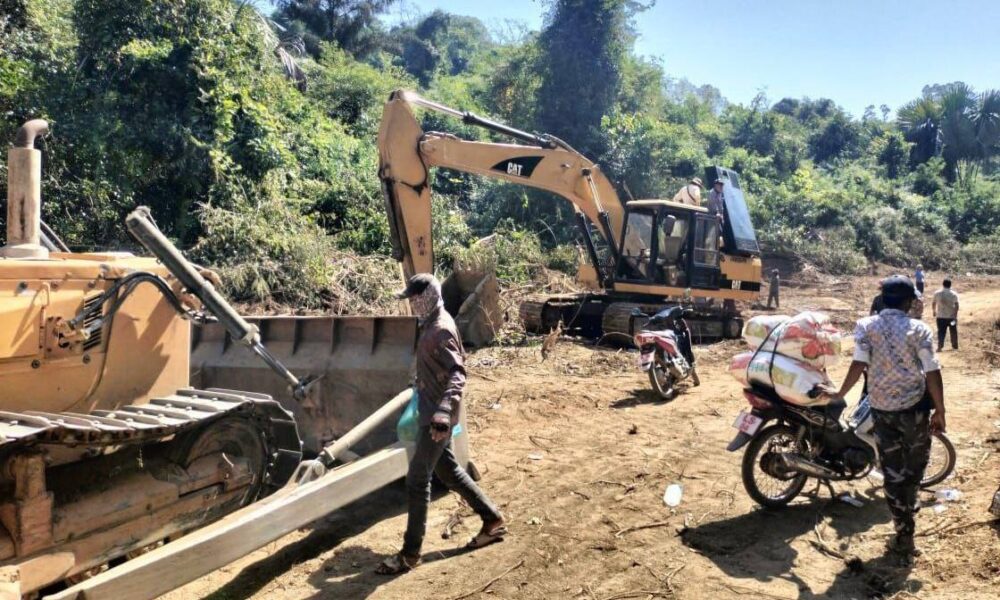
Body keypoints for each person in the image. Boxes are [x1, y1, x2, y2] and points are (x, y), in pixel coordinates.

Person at [376, 274, 506, 575]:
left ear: (428, 298)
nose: (411, 304)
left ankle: (409, 554)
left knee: (417, 479)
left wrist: (444, 412)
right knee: (449, 471)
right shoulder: (432, 324)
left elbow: (458, 373)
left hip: (437, 418)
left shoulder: (441, 329)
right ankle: (492, 519)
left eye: (414, 299)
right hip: (431, 412)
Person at [831, 275, 945, 561]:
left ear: (882, 299)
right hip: (916, 410)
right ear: (909, 302)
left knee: (892, 472)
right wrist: (940, 411)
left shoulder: (866, 327)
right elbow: (932, 371)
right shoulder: (919, 330)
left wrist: (839, 392)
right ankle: (909, 513)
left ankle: (903, 532)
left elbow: (859, 364)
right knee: (915, 468)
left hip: (882, 410)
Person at [932, 278, 960, 351]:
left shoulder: (937, 293)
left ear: (943, 284)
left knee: (941, 332)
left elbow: (934, 303)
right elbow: (957, 305)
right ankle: (954, 347)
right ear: (950, 285)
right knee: (953, 331)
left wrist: (934, 311)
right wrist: (955, 315)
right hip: (951, 317)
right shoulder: (954, 294)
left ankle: (940, 347)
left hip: (940, 316)